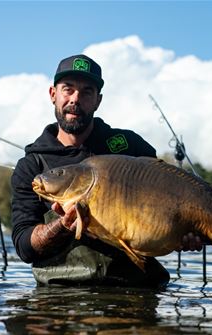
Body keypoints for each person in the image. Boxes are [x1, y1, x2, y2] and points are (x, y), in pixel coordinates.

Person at [11, 54, 201, 288]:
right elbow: (24, 246)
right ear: (53, 94)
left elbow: (167, 207)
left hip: (135, 289)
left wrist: (183, 233)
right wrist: (63, 226)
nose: (75, 99)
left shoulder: (129, 146)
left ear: (98, 100)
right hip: (62, 299)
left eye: (86, 92)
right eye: (68, 89)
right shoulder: (32, 167)